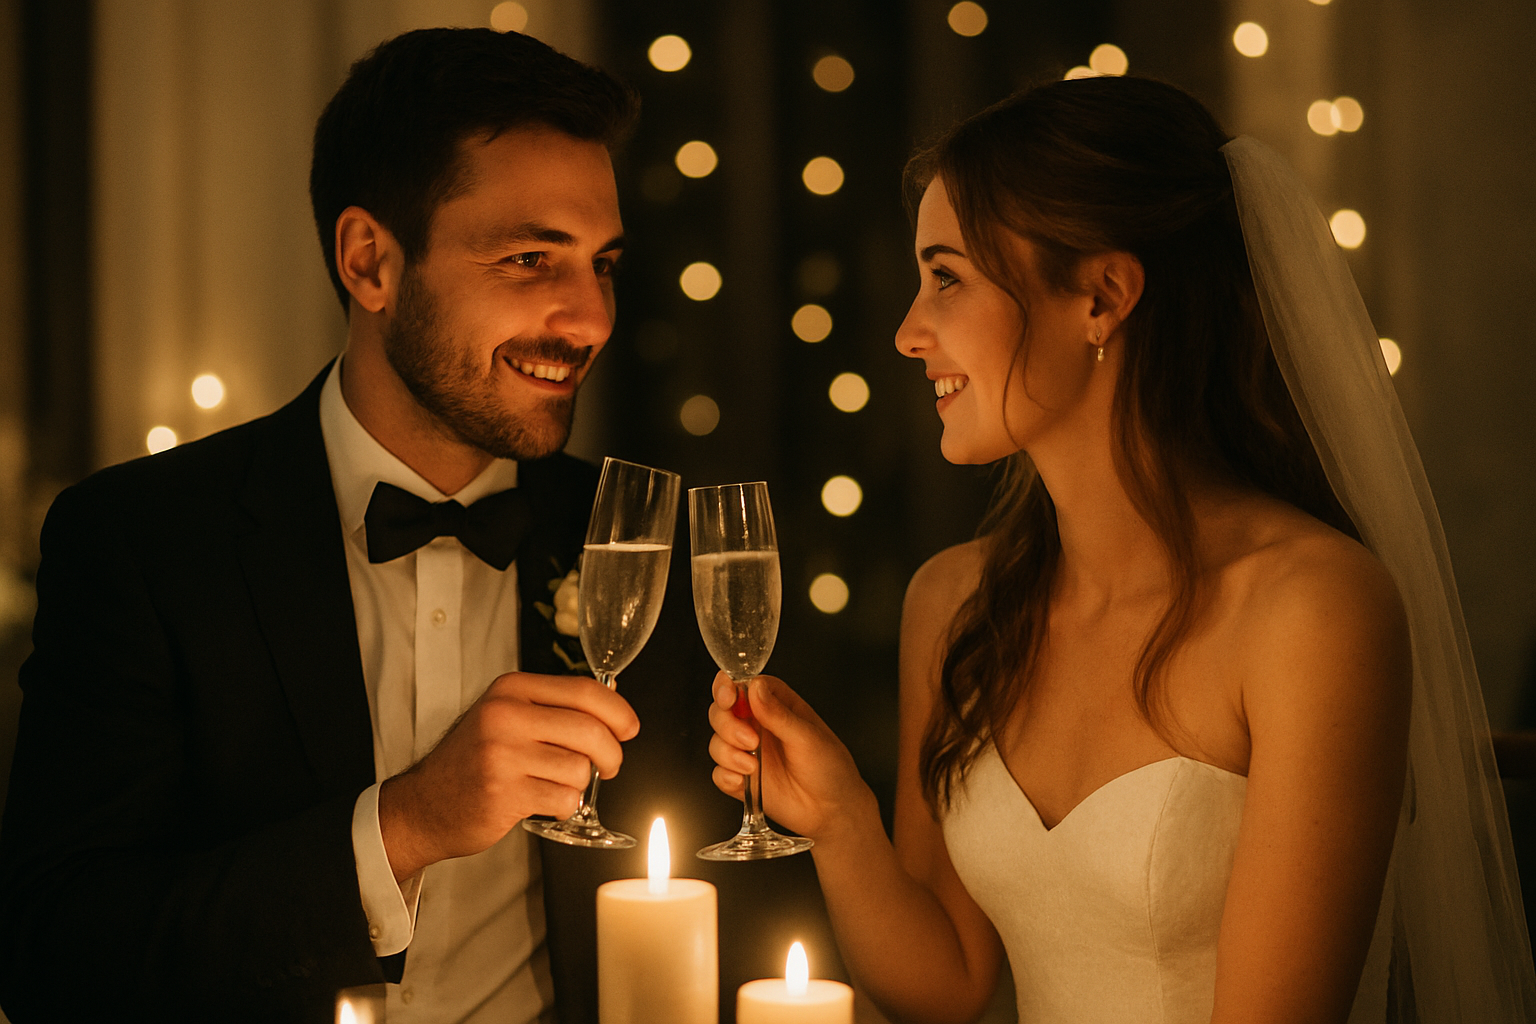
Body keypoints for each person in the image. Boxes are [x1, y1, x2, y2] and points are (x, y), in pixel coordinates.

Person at [709, 76, 1536, 1023]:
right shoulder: (955, 603)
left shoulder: (1311, 608)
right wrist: (839, 817)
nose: (907, 331)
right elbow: (944, 987)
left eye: (948, 277)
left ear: (1101, 298)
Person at [0, 28, 642, 1023]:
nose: (589, 316)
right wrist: (404, 826)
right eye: (529, 259)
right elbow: (57, 956)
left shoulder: (638, 541)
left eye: (602, 264)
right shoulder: (143, 541)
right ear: (370, 262)